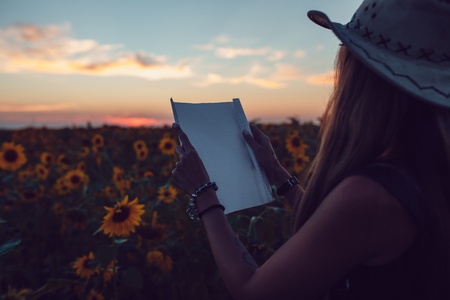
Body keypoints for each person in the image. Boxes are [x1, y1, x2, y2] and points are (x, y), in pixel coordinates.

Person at [172, 0, 450, 299]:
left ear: (363, 76)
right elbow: (338, 229)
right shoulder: (422, 172)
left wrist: (203, 192)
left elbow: (252, 292)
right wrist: (277, 172)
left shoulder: (371, 195)